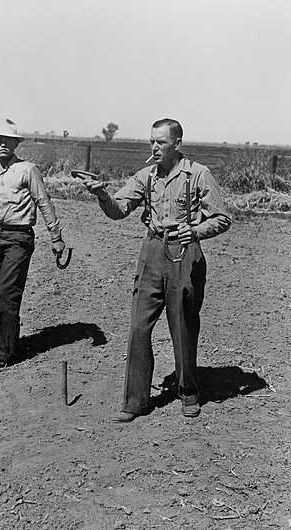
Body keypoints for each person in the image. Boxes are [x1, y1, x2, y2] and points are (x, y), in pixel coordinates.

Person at [80, 117, 231, 421]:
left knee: (183, 326)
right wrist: (101, 194)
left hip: (185, 252)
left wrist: (197, 230)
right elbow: (118, 210)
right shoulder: (145, 176)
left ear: (177, 144)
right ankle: (135, 401)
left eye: (161, 142)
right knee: (138, 327)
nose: (155, 147)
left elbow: (222, 218)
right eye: (152, 141)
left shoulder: (198, 175)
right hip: (151, 251)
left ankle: (188, 392)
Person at [0, 118, 65, 370]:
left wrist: (56, 236)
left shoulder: (28, 170)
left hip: (19, 239)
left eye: (9, 140)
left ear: (16, 144)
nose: (3, 144)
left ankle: (0, 351)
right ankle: (6, 341)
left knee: (7, 294)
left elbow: (44, 202)